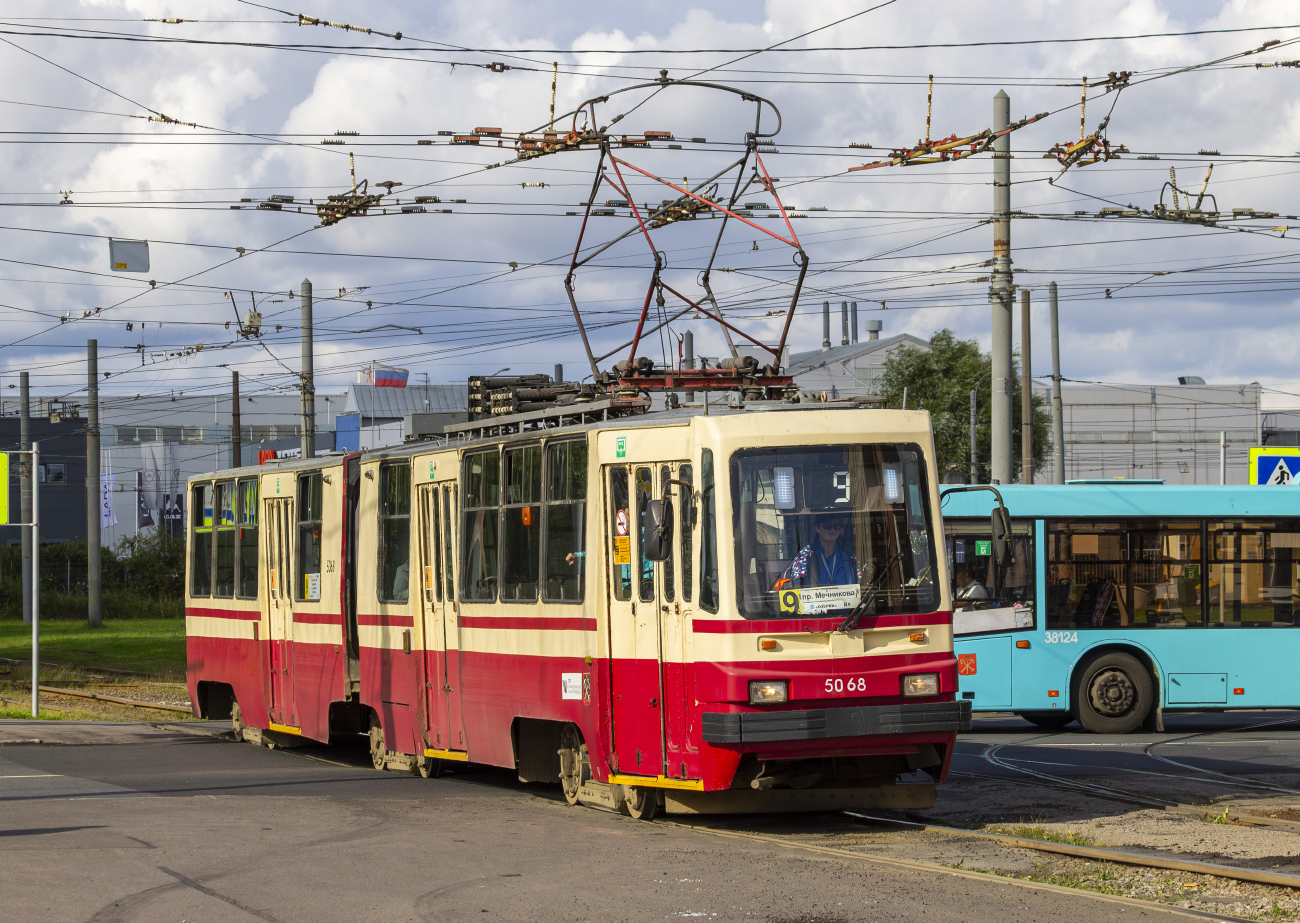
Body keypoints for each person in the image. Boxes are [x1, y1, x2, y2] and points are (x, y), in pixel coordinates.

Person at [784, 513, 858, 587]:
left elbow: (859, 581)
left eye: (837, 526)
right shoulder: (804, 555)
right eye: (827, 525)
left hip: (845, 598)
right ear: (817, 528)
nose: (832, 529)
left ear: (840, 529)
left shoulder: (850, 555)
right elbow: (797, 585)